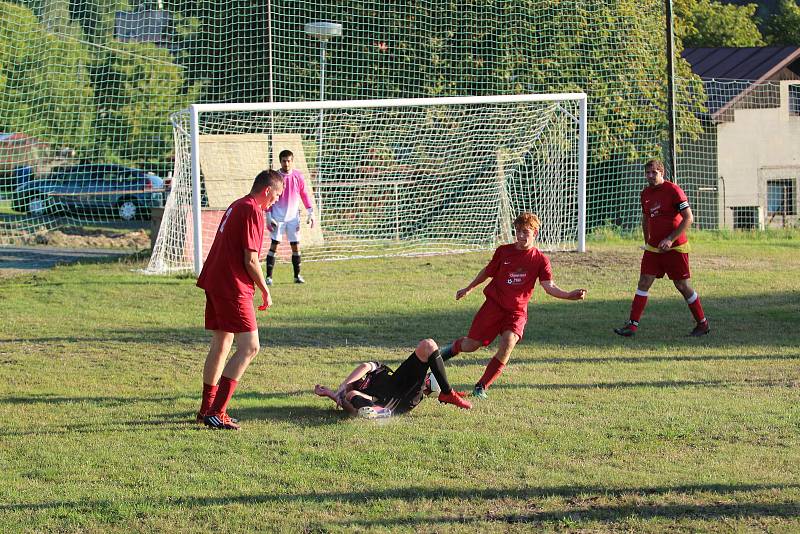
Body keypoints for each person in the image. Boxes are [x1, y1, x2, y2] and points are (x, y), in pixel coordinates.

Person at [437, 212, 587, 400]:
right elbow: (487, 272)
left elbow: (549, 286)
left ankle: (481, 386)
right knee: (471, 345)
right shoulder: (504, 251)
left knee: (508, 343)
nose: (521, 236)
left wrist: (568, 295)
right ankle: (441, 355)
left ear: (535, 233)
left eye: (526, 232)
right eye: (518, 231)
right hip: (493, 307)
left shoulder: (540, 260)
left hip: (516, 312)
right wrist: (469, 288)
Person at [195, 169, 285, 430]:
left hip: (216, 280)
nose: (276, 201)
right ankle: (217, 411)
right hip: (232, 285)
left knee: (222, 343)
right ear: (267, 190)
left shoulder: (238, 204)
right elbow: (251, 259)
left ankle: (206, 410)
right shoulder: (253, 209)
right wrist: (265, 289)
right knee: (250, 347)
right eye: (276, 195)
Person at [614, 159, 709, 337]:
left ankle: (702, 324)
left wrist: (670, 239)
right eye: (647, 173)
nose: (650, 176)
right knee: (643, 282)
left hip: (675, 248)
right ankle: (632, 326)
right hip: (653, 249)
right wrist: (647, 241)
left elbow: (688, 218)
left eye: (654, 173)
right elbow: (645, 219)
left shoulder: (674, 190)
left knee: (682, 285)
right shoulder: (645, 193)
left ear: (661, 173)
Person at [314, 338, 472, 418]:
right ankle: (380, 414)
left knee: (428, 344)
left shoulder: (377, 369)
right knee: (351, 397)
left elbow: (364, 366)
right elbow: (355, 410)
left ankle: (447, 392)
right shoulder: (357, 394)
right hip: (391, 403)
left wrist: (343, 385)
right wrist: (333, 395)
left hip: (400, 384)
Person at [265, 149, 315, 285]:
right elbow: (269, 196)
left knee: (295, 246)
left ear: (292, 161)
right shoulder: (275, 177)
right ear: (280, 161)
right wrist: (268, 215)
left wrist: (310, 211)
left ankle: (297, 276)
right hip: (278, 217)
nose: (286, 163)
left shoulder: (298, 176)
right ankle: (269, 277)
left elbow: (304, 194)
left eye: (289, 161)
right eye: (284, 161)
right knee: (274, 245)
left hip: (293, 218)